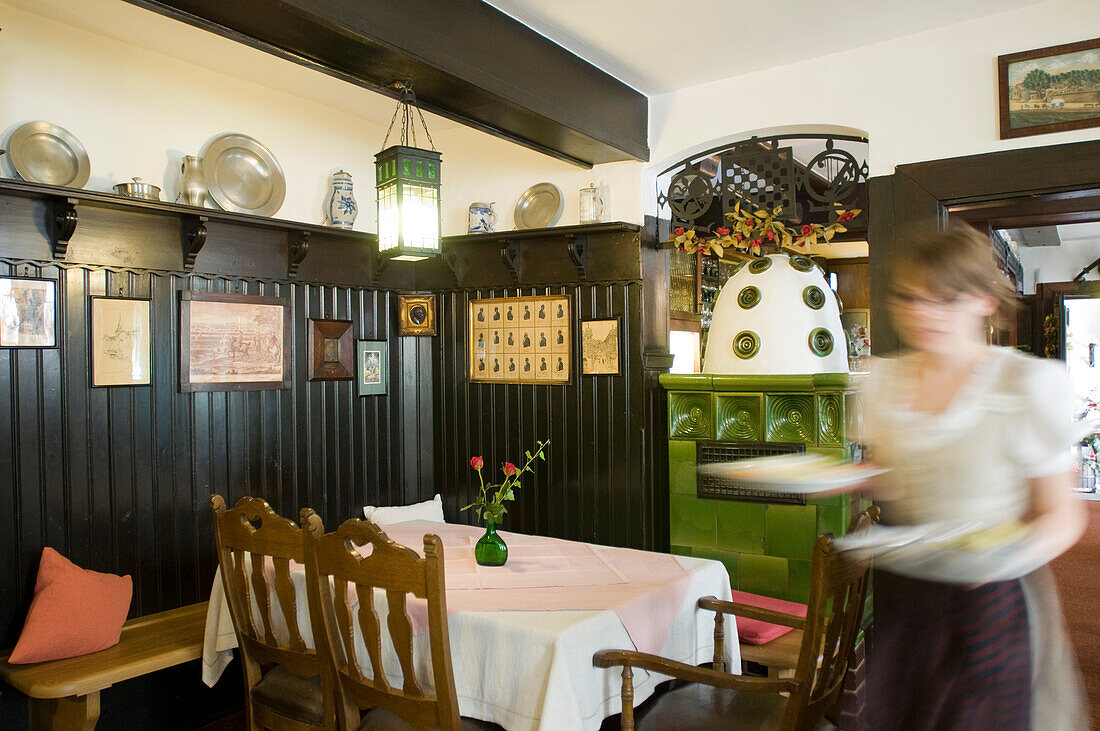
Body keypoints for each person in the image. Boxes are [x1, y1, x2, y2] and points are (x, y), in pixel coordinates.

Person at [852, 224, 1087, 730]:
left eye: (945, 299)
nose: (924, 314)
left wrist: (1005, 558)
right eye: (911, 299)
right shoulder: (887, 380)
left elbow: (1063, 516)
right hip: (904, 597)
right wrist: (852, 479)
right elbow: (895, 479)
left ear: (983, 300)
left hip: (987, 599)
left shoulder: (1024, 383)